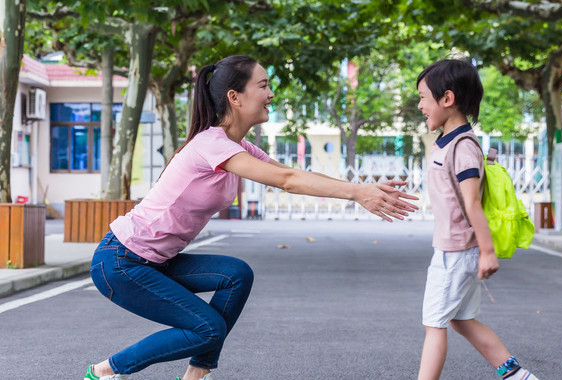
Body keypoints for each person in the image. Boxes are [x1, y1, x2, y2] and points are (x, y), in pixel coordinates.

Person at [85, 54, 419, 380]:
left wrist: (362, 188)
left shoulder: (237, 146)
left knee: (236, 274)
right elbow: (288, 182)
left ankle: (196, 374)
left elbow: (292, 173)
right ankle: (104, 371)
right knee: (207, 328)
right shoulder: (211, 144)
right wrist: (358, 194)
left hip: (154, 260)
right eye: (263, 85)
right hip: (121, 262)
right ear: (235, 97)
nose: (271, 93)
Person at [415, 59, 538, 380]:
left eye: (424, 97)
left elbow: (472, 203)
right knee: (460, 319)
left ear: (447, 99)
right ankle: (519, 377)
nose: (420, 105)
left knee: (435, 323)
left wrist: (486, 251)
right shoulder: (449, 141)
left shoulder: (464, 147)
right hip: (454, 249)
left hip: (456, 252)